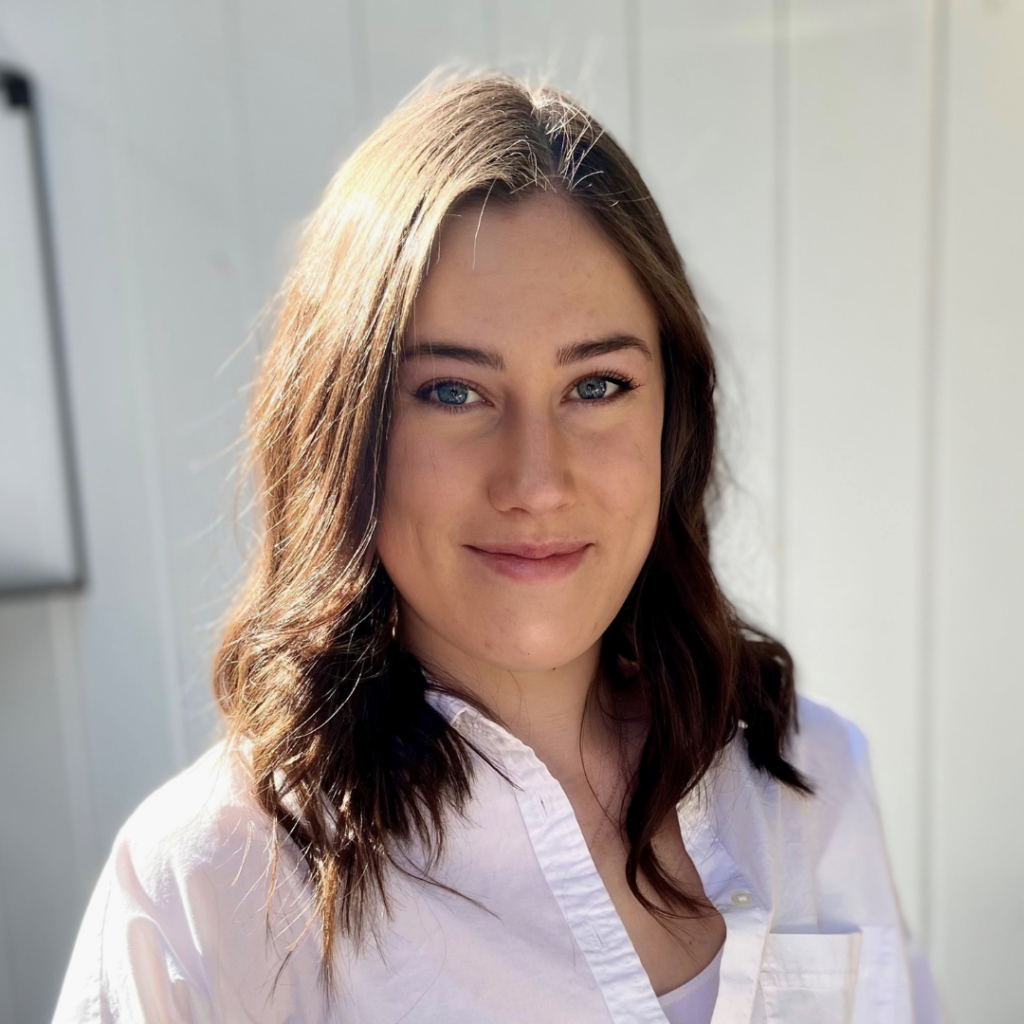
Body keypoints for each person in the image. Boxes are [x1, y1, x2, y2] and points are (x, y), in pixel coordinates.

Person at [51, 71, 946, 1024]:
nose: (536, 481)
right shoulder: (202, 898)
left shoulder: (810, 775)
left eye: (597, 386)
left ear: (673, 420)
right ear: (345, 430)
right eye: (452, 392)